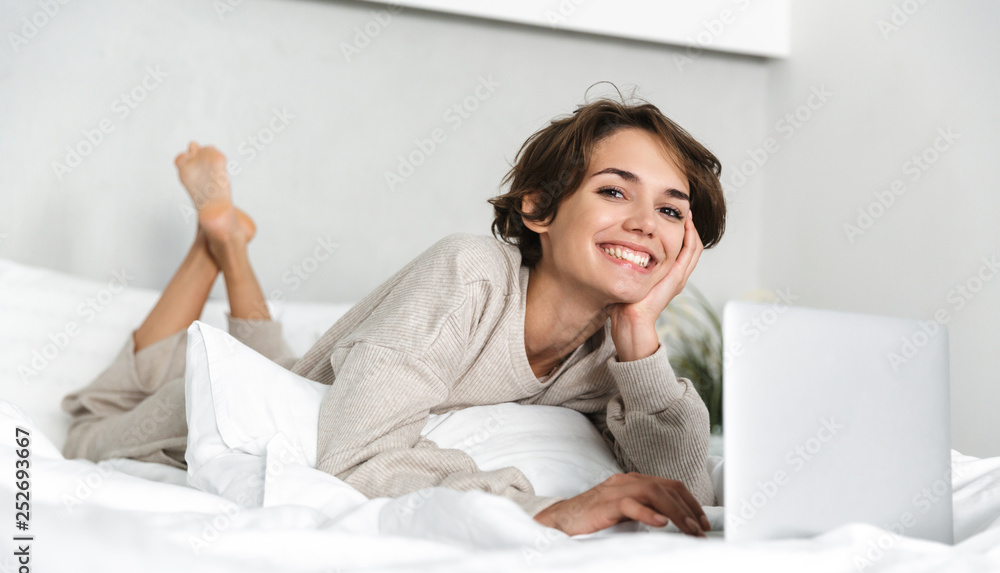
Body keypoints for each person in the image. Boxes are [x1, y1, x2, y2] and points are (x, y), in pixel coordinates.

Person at [61, 92, 726, 538]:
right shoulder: (469, 276)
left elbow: (684, 492)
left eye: (671, 210)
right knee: (91, 422)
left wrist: (641, 340)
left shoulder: (618, 353)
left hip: (300, 377)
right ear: (538, 210)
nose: (645, 224)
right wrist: (538, 509)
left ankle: (229, 243)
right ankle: (219, 247)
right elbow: (356, 455)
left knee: (286, 362)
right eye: (614, 190)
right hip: (227, 415)